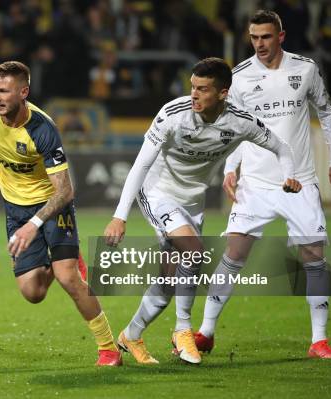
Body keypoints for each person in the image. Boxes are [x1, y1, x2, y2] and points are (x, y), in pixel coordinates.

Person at [104, 57, 300, 365]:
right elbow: (141, 165)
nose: (194, 94)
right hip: (158, 192)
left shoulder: (239, 122)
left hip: (193, 202)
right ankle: (183, 329)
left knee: (169, 280)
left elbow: (282, 148)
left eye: (203, 89)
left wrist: (289, 175)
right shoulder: (173, 114)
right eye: (192, 87)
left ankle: (131, 333)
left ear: (223, 93)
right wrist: (120, 215)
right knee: (193, 250)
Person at [0, 61, 122, 366]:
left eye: (4, 91)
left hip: (52, 206)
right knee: (33, 292)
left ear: (23, 92)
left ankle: (108, 349)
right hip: (16, 210)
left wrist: (34, 224)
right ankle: (62, 259)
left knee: (68, 277)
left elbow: (65, 191)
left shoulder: (42, 129)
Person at [195, 10, 331, 359]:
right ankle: (206, 332)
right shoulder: (241, 77)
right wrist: (232, 168)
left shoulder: (304, 69)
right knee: (234, 253)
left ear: (281, 36)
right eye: (254, 37)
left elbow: (327, 113)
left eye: (266, 37)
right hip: (256, 182)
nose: (259, 44)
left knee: (313, 258)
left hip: (299, 180)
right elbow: (236, 129)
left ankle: (319, 340)